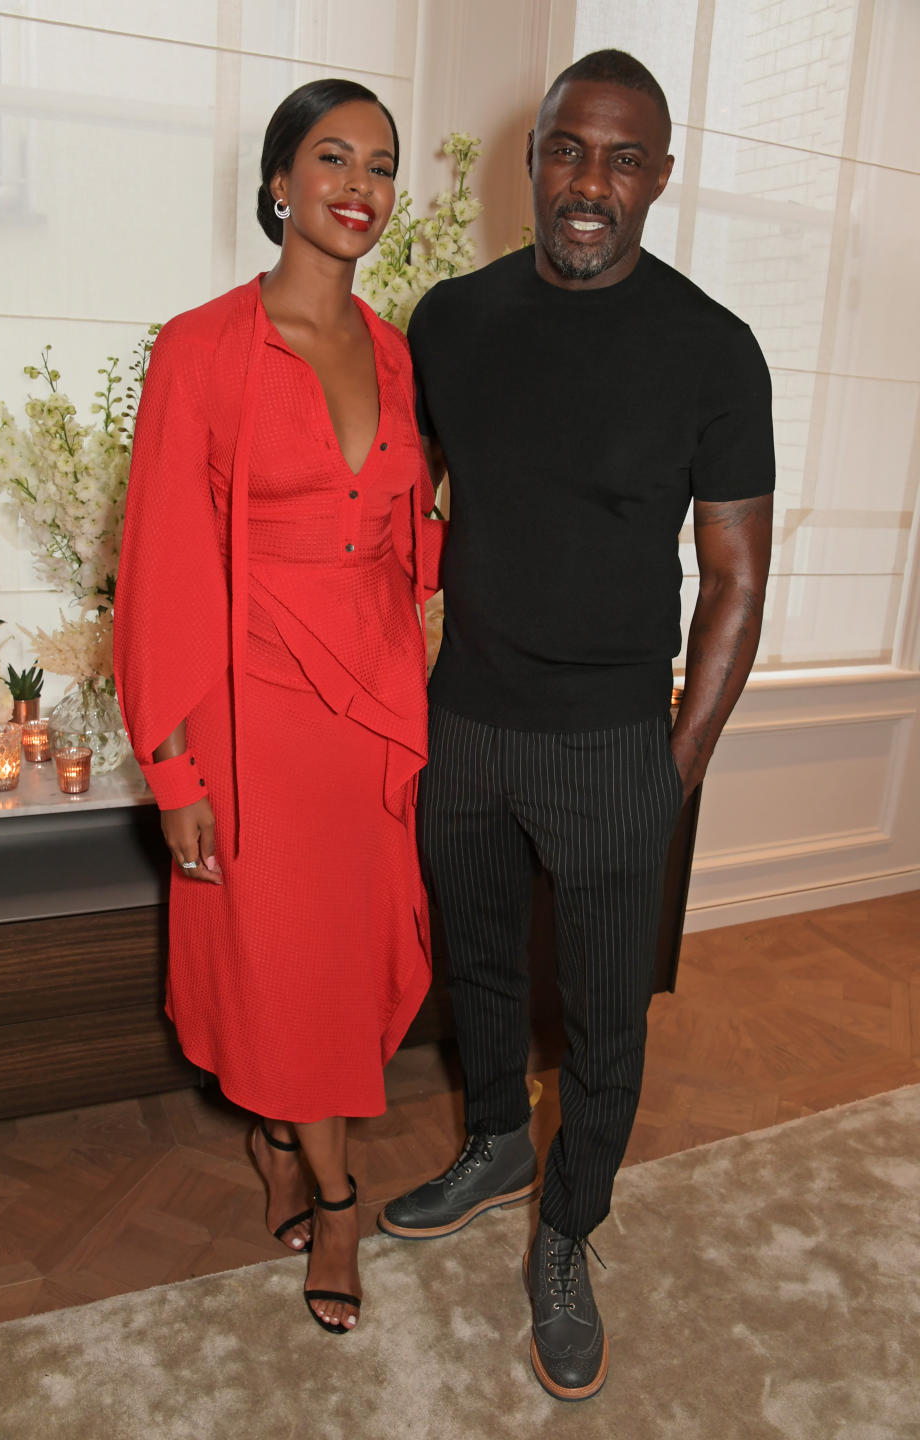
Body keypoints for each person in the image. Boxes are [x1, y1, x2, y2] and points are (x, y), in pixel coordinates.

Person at [379, 50, 774, 1401]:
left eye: (620, 158)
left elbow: (734, 585)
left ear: (660, 175)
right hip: (466, 726)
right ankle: (495, 1143)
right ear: (530, 156)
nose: (587, 184)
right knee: (477, 968)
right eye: (565, 150)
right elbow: (388, 511)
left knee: (607, 1020)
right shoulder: (450, 322)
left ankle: (567, 1232)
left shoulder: (715, 351)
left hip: (616, 741)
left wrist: (674, 773)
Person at [114, 78, 443, 1338]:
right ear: (278, 184)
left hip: (376, 700)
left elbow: (408, 530)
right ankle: (340, 1196)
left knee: (345, 959)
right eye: (332, 157)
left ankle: (275, 1138)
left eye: (381, 164)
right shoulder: (199, 347)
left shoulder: (400, 352)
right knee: (291, 965)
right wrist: (177, 769)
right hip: (256, 708)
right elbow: (161, 570)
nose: (359, 184)